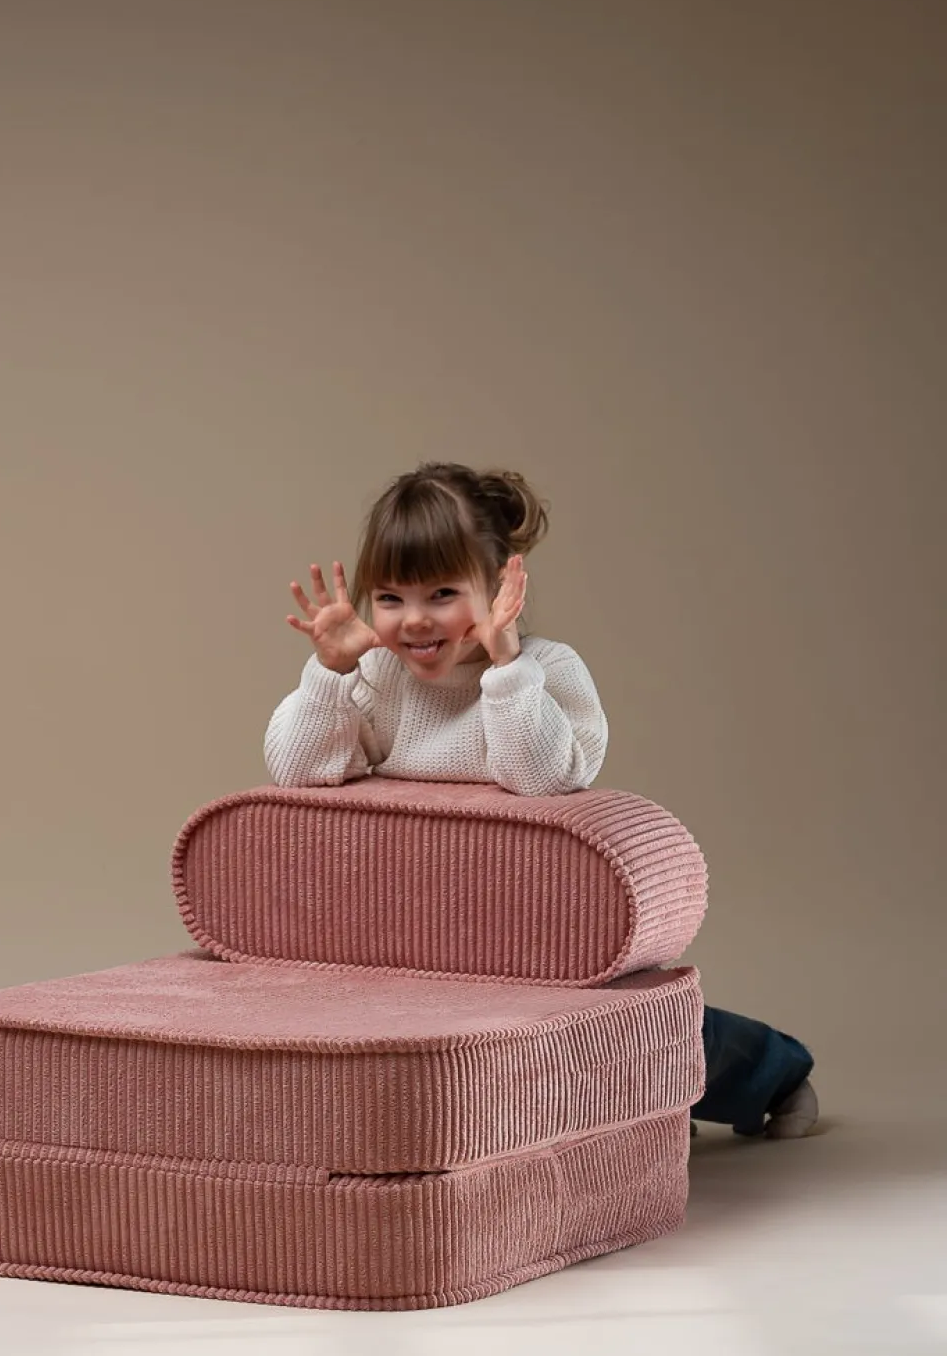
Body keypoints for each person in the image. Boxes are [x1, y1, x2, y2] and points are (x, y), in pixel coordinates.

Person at [265, 461, 818, 1141]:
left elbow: (544, 778)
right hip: (422, 913)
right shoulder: (378, 674)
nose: (415, 620)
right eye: (390, 597)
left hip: (537, 906)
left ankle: (775, 1073)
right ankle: (627, 1113)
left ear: (501, 587)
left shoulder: (545, 670)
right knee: (479, 1039)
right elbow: (300, 770)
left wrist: (505, 668)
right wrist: (330, 671)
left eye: (443, 593)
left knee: (626, 1024)